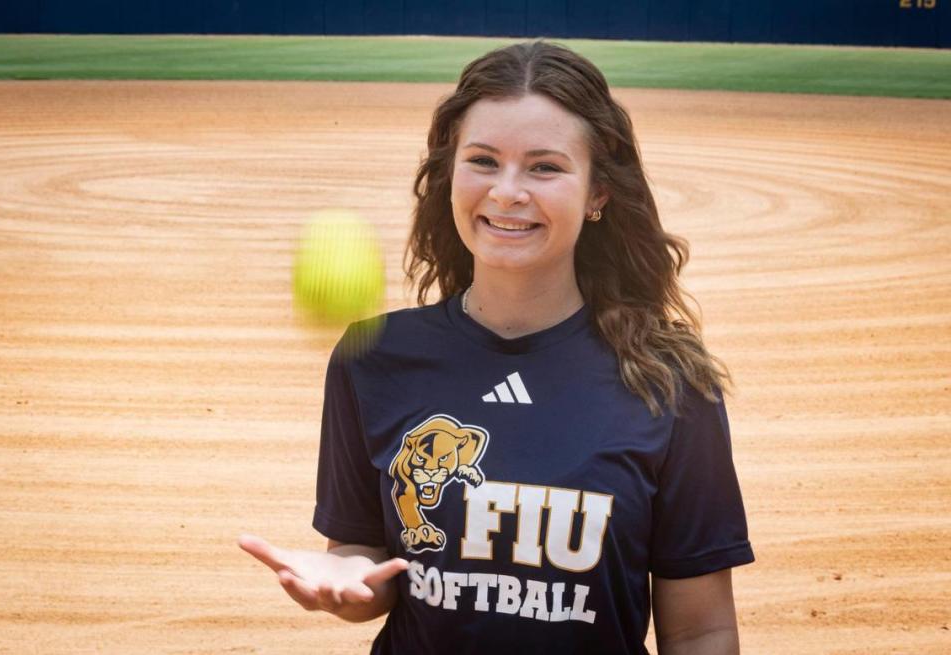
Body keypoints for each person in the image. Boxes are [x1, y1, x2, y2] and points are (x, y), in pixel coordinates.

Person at [239, 40, 755, 654]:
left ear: (598, 194)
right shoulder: (373, 357)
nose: (507, 191)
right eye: (483, 160)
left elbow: (701, 629)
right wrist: (348, 577)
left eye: (544, 167)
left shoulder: (666, 381)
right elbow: (370, 563)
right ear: (450, 175)